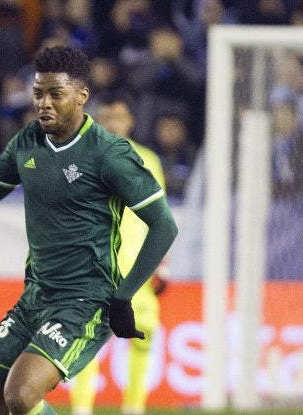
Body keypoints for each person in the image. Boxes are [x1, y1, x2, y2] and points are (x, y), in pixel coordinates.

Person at [0, 46, 178, 415]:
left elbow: (164, 225)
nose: (44, 103)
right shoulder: (28, 141)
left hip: (84, 301)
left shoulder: (109, 154)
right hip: (35, 296)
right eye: (38, 93)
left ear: (81, 97)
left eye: (56, 94)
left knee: (20, 395)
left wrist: (123, 296)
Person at [69, 98, 170, 415]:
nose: (114, 122)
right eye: (107, 117)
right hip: (94, 265)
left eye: (120, 116)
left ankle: (134, 408)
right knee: (87, 341)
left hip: (137, 265)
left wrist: (162, 264)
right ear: (97, 120)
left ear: (129, 121)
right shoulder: (78, 157)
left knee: (143, 336)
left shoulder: (148, 159)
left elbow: (161, 217)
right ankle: (82, 409)